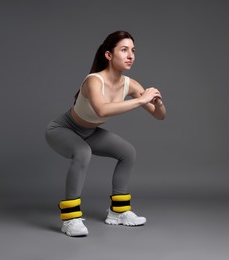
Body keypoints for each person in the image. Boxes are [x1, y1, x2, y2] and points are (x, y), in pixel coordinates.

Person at [45, 31, 166, 237]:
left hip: (90, 132)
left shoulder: (131, 84)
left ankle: (118, 212)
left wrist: (157, 101)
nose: (131, 55)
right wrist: (140, 100)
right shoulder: (94, 80)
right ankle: (70, 218)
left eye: (133, 50)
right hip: (63, 129)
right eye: (124, 50)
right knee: (83, 152)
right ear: (109, 55)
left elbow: (159, 116)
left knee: (128, 152)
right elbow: (102, 110)